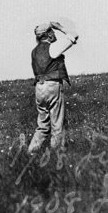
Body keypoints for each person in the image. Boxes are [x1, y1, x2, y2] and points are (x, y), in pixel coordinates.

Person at [28, 21, 79, 155]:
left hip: (39, 88)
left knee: (43, 125)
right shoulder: (53, 48)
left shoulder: (34, 51)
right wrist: (60, 27)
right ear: (49, 35)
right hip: (52, 86)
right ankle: (57, 154)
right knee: (57, 124)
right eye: (52, 31)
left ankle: (31, 152)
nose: (54, 34)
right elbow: (74, 35)